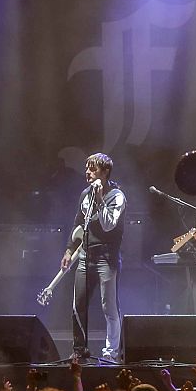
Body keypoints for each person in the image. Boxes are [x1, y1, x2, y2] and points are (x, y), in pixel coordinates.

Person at [62, 152, 126, 364]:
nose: (88, 172)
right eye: (87, 168)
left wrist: (99, 200)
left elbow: (109, 225)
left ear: (105, 172)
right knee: (78, 304)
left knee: (109, 307)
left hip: (107, 258)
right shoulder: (84, 194)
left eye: (93, 169)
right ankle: (79, 350)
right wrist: (69, 250)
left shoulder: (116, 196)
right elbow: (77, 224)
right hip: (85, 256)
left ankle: (111, 352)